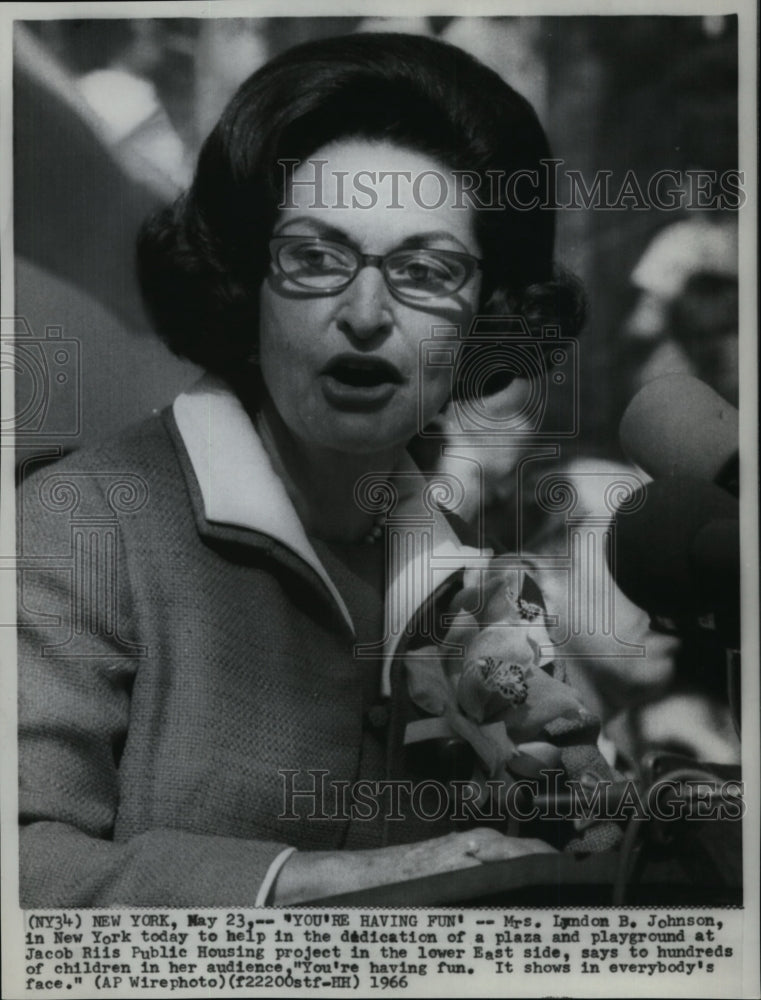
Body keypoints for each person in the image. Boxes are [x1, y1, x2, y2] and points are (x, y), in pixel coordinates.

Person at [18, 31, 618, 909]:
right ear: (242, 279)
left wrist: (560, 814)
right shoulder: (78, 524)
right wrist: (315, 882)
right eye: (314, 257)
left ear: (487, 316)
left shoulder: (462, 577)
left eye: (424, 270)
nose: (365, 313)